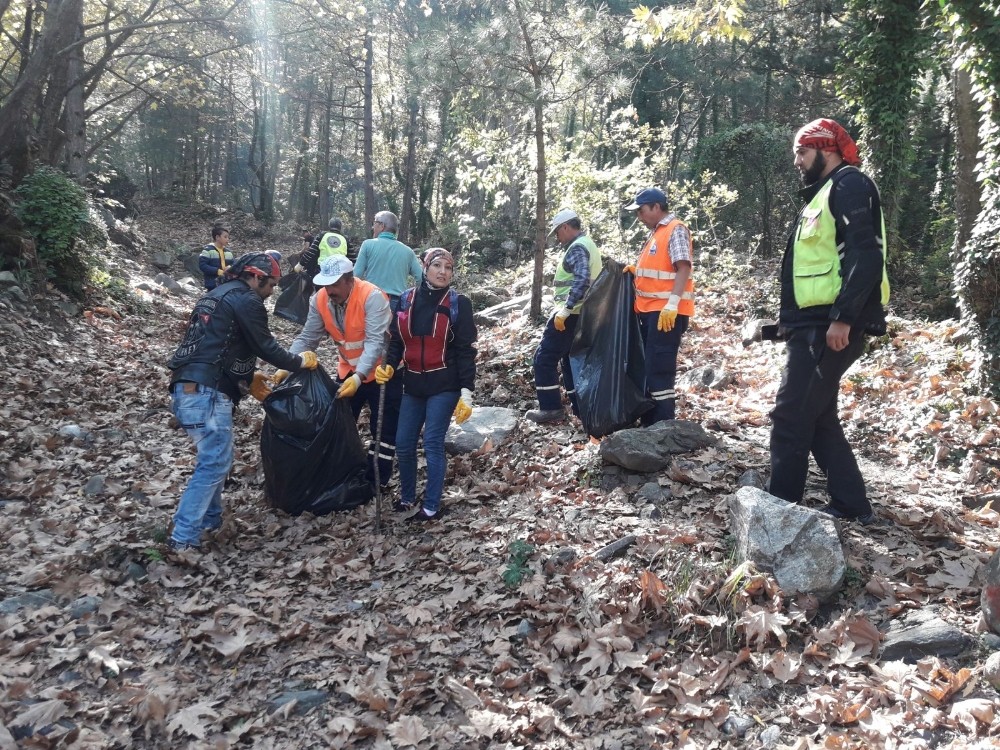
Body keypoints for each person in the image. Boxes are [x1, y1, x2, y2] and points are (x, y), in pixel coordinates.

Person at [768, 118, 890, 525]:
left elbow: (865, 255)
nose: (797, 161)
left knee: (790, 416)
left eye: (802, 152)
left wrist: (843, 318)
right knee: (818, 417)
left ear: (827, 150)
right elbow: (814, 267)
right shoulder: (823, 193)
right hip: (813, 324)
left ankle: (777, 512)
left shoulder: (849, 185)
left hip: (830, 327)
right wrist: (787, 323)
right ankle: (851, 505)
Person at [167, 253, 319, 551]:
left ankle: (211, 521)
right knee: (215, 462)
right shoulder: (247, 300)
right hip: (208, 391)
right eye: (271, 284)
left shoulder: (214, 295)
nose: (272, 291)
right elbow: (266, 346)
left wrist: (248, 378)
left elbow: (219, 344)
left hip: (185, 387)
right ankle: (183, 538)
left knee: (214, 459)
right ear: (256, 277)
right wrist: (300, 362)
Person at [277, 256, 399, 488]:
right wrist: (288, 364)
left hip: (382, 372)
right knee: (339, 424)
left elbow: (375, 343)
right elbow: (308, 337)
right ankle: (344, 475)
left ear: (349, 280)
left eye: (334, 284)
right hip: (347, 371)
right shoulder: (320, 299)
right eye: (326, 284)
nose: (329, 290)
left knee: (383, 430)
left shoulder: (372, 297)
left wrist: (359, 377)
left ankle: (377, 482)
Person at [375, 248, 477, 522]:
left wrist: (466, 392)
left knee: (432, 442)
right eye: (437, 265)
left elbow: (465, 350)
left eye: (448, 267)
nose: (443, 272)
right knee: (403, 443)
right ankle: (407, 497)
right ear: (424, 267)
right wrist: (389, 365)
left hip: (445, 384)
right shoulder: (405, 299)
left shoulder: (458, 303)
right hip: (413, 384)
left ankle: (431, 506)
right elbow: (396, 340)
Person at [623, 187, 695, 424]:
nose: (639, 217)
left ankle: (663, 425)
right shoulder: (657, 232)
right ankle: (651, 422)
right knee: (650, 366)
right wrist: (636, 273)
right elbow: (659, 270)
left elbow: (683, 267)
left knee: (660, 369)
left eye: (641, 211)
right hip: (651, 311)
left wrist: (672, 304)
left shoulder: (675, 229)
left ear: (656, 207)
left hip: (666, 313)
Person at [525, 208, 603, 424]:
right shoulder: (588, 244)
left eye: (557, 232)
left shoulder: (577, 247)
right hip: (584, 313)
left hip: (570, 314)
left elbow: (582, 279)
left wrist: (567, 308)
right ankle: (580, 408)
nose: (557, 237)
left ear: (566, 227)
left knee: (544, 358)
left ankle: (550, 408)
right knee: (569, 360)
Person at [353, 211, 423, 312]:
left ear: (382, 226)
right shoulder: (408, 251)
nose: (373, 227)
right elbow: (421, 278)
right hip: (398, 304)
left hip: (372, 300)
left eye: (375, 223)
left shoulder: (367, 245)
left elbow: (356, 275)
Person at [199, 224, 235, 290]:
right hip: (212, 284)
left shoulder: (229, 252)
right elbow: (203, 266)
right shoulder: (208, 250)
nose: (227, 239)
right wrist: (217, 271)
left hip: (227, 284)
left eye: (228, 237)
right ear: (217, 237)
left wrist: (230, 267)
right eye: (225, 237)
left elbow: (234, 264)